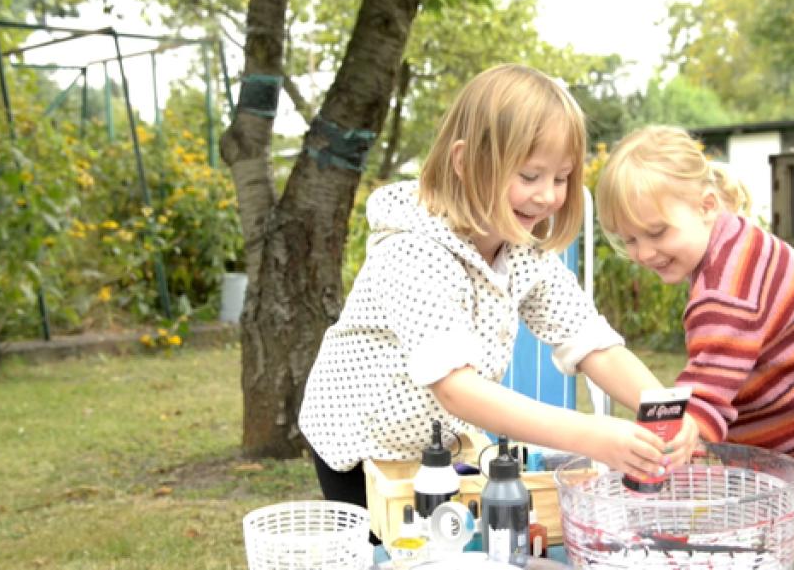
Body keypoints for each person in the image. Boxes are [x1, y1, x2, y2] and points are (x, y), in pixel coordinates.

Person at [297, 66, 699, 522]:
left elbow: (592, 343)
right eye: (530, 175)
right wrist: (592, 435)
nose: (548, 196)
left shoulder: (522, 249)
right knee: (396, 550)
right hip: (360, 445)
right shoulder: (414, 252)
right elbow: (458, 390)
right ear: (466, 162)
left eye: (562, 177)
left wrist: (661, 408)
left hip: (438, 443)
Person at [594, 125, 794, 570]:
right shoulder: (732, 239)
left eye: (656, 233)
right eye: (628, 240)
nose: (645, 253)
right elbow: (726, 364)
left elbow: (707, 393)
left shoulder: (725, 290)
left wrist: (665, 449)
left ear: (706, 206)